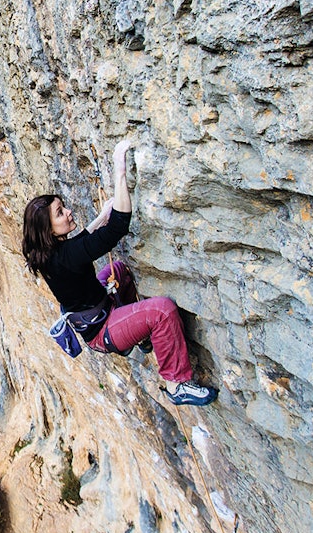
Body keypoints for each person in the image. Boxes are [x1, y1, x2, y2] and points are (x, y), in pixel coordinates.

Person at [22, 140, 217, 406]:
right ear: (48, 229)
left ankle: (143, 335)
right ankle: (177, 385)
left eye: (63, 206)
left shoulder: (43, 253)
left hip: (97, 312)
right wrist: (119, 168)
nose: (67, 211)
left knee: (118, 270)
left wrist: (101, 216)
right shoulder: (65, 255)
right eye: (60, 212)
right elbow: (118, 226)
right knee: (163, 310)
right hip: (103, 331)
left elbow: (80, 244)